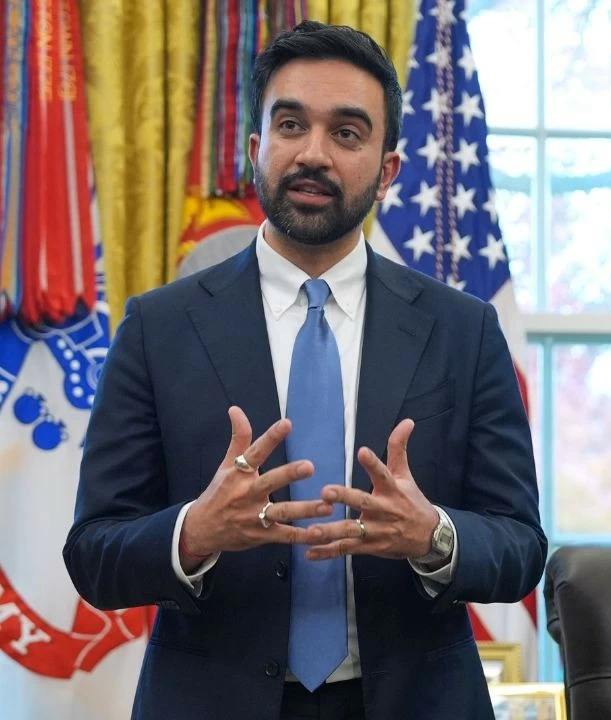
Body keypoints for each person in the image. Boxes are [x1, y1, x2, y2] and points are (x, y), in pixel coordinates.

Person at [62, 21, 545, 720]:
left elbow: (521, 546)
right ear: (259, 149)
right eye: (291, 125)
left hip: (417, 702)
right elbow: (95, 554)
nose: (313, 154)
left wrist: (435, 535)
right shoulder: (158, 328)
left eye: (347, 133)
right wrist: (195, 531)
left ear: (388, 170)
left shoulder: (463, 331)